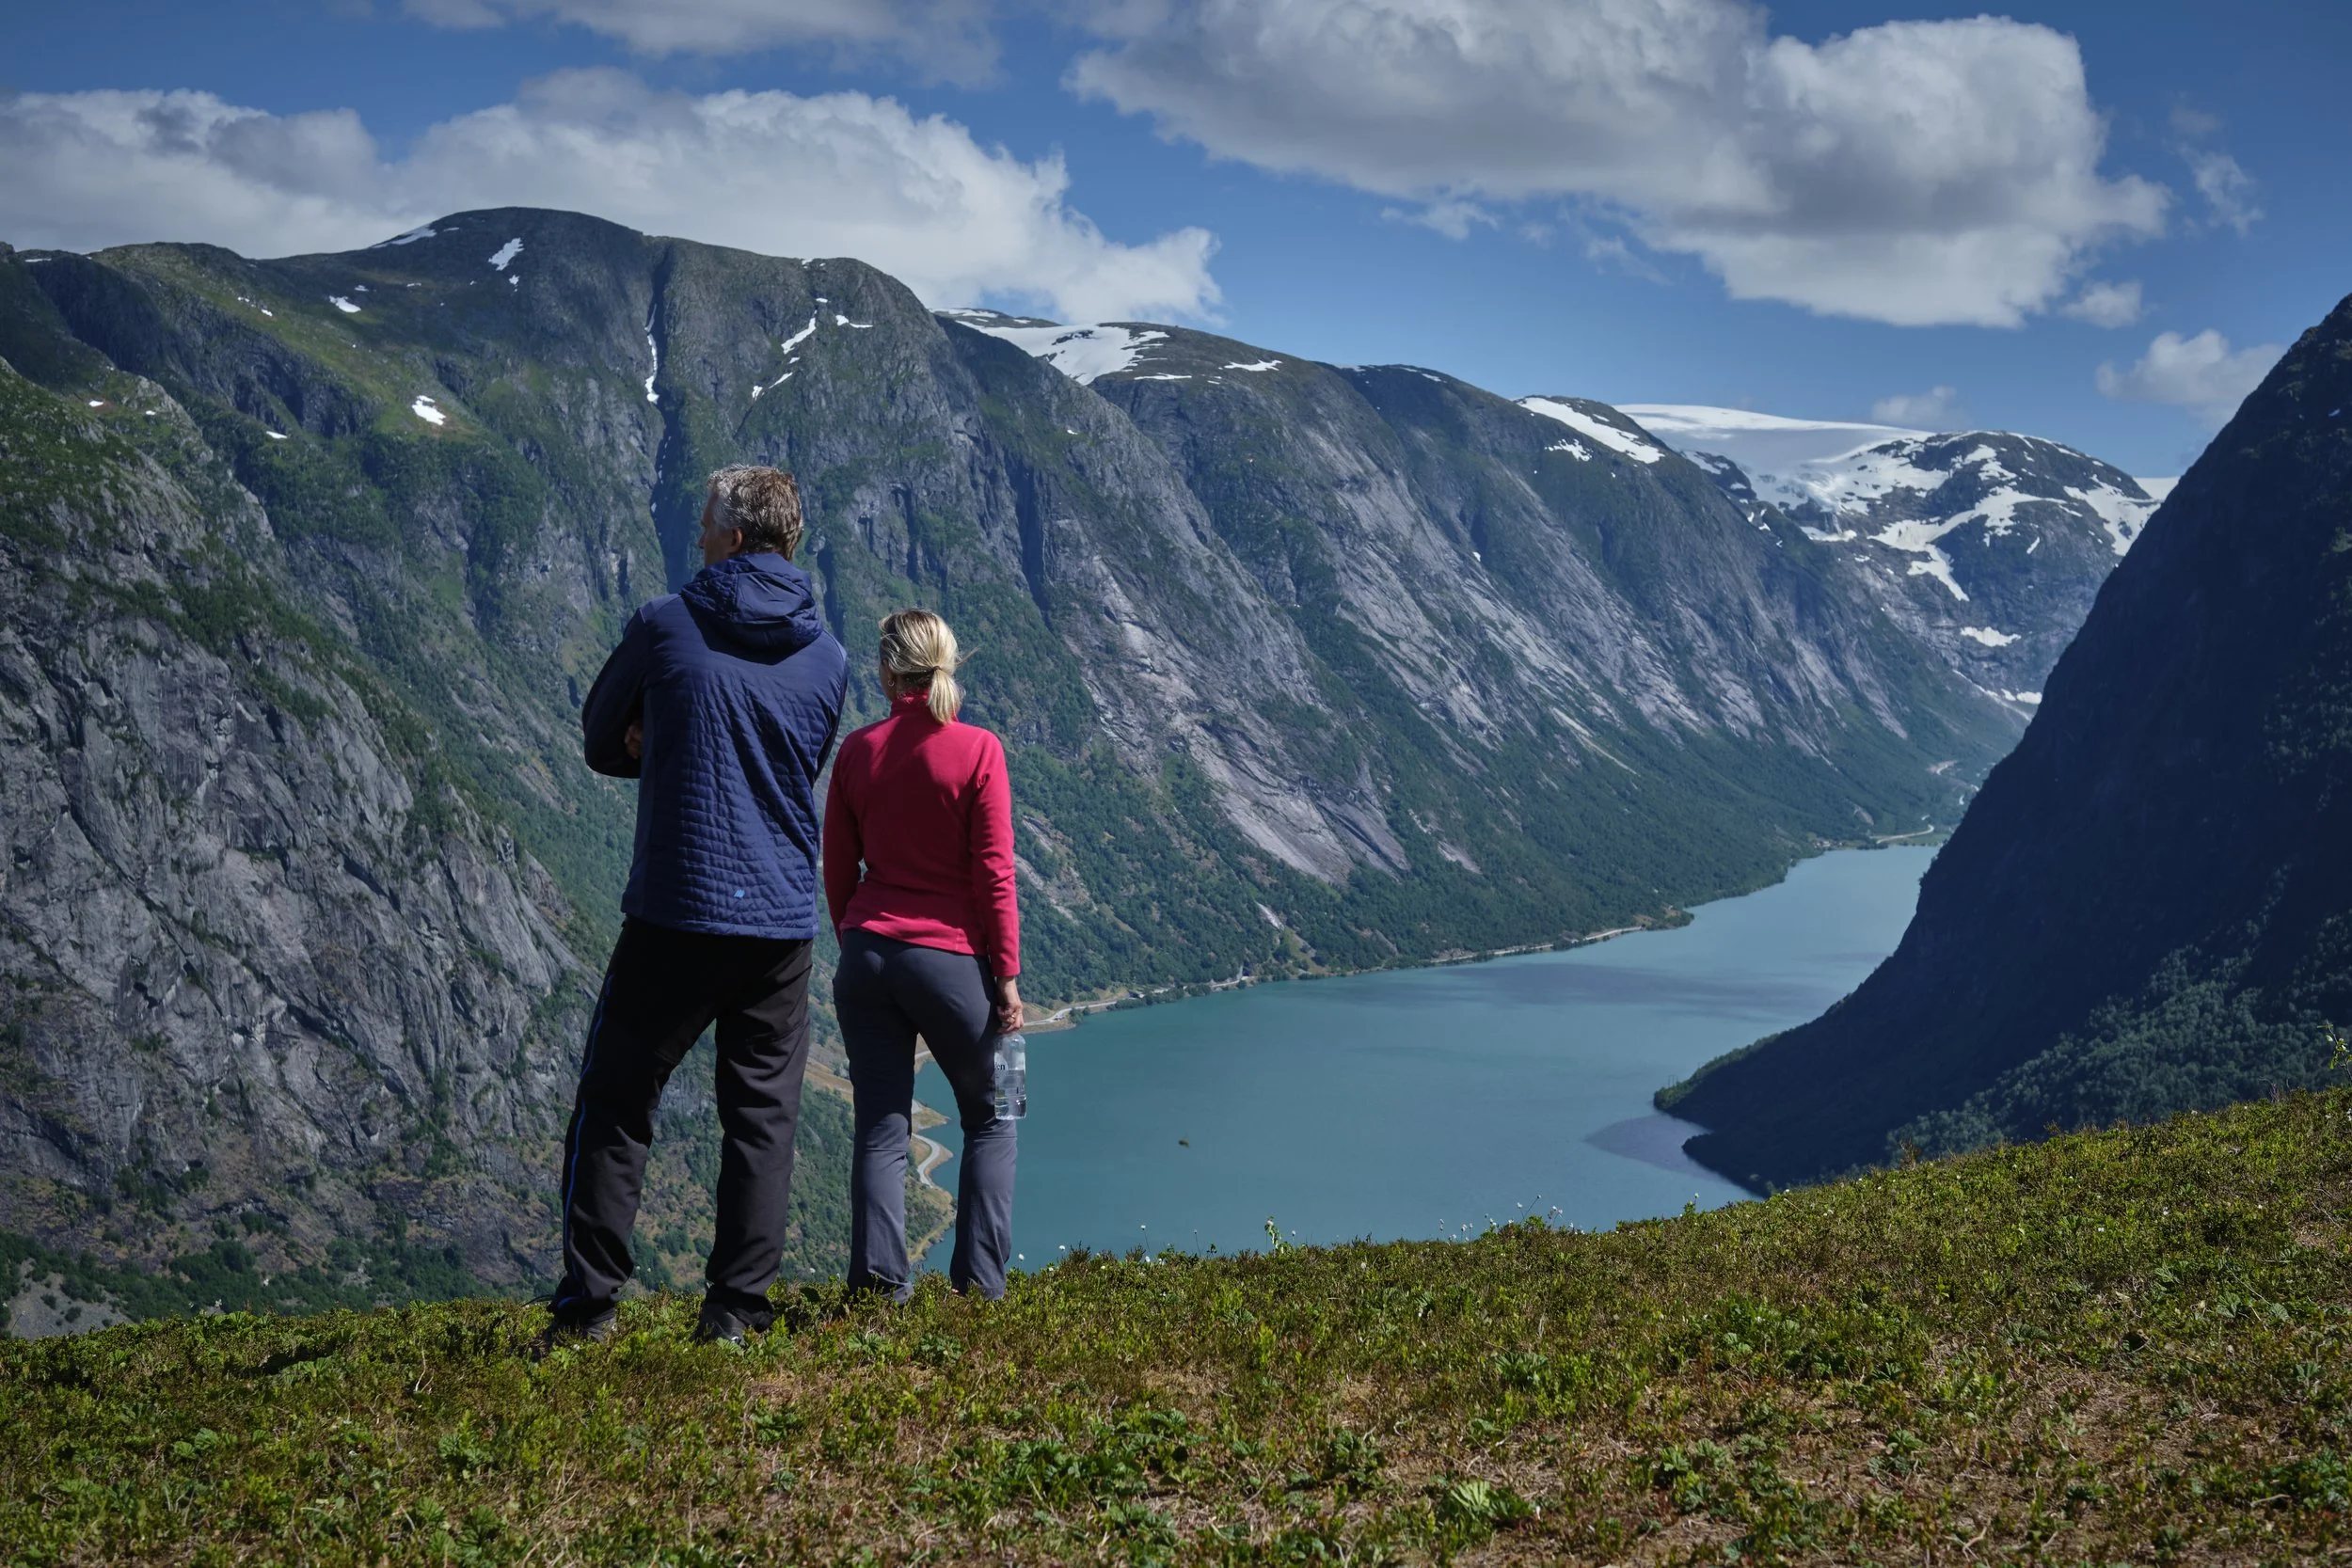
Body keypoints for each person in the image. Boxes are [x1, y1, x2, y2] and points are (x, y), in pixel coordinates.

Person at [546, 465, 847, 1349]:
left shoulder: (664, 625)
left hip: (680, 905)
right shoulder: (827, 657)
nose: (700, 538)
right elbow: (789, 766)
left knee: (617, 1100)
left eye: (709, 525)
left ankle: (589, 1308)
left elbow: (602, 735)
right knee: (761, 1115)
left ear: (740, 538)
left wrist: (663, 739)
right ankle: (736, 1313)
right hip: (781, 925)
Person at [822, 610, 1024, 1301]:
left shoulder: (857, 752)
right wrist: (1007, 977)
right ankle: (978, 1291)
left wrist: (858, 943)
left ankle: (879, 1293)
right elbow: (994, 873)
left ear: (886, 671)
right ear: (948, 664)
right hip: (950, 964)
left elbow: (838, 869)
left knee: (881, 1123)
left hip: (870, 956)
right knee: (996, 1112)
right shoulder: (977, 750)